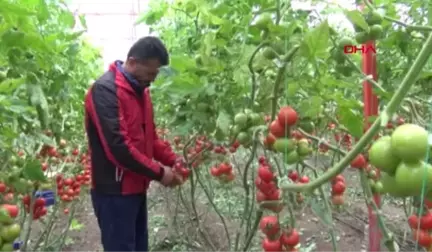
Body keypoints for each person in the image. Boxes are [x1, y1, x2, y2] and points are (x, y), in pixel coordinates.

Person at [84, 36, 184, 252]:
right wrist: (160, 172)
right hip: (114, 193)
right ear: (133, 62)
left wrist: (174, 160)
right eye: (151, 73)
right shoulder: (104, 90)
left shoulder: (142, 92)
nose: (153, 79)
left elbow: (151, 139)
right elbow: (118, 148)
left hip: (136, 188)